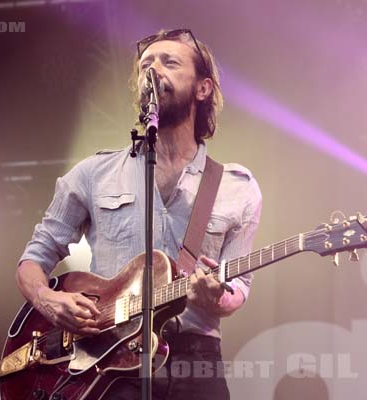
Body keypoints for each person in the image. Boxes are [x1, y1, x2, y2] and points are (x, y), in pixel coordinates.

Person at [15, 29, 262, 400]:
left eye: (169, 62)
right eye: (147, 63)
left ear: (203, 88)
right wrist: (48, 300)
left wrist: (218, 299)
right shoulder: (92, 174)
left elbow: (238, 287)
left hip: (195, 361)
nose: (153, 69)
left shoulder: (235, 186)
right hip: (107, 357)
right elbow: (33, 260)